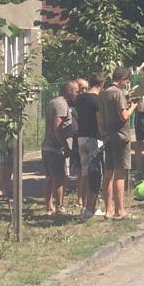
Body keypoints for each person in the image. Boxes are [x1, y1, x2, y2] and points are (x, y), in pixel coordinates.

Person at [98, 67, 135, 220]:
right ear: (121, 79)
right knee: (120, 173)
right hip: (121, 136)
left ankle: (108, 210)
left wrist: (103, 133)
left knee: (108, 173)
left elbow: (99, 117)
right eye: (126, 80)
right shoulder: (118, 93)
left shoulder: (103, 93)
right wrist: (132, 107)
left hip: (108, 136)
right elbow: (123, 116)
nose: (127, 83)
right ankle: (120, 210)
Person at [43, 81, 78, 217]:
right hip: (56, 147)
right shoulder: (62, 104)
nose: (77, 94)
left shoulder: (52, 102)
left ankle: (49, 206)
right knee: (59, 177)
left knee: (49, 177)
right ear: (68, 91)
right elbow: (57, 126)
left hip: (47, 145)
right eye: (75, 91)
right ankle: (59, 207)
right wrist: (65, 145)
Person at [75, 73, 104, 217]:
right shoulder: (97, 100)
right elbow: (99, 120)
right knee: (95, 173)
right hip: (93, 138)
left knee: (85, 172)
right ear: (101, 85)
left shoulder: (80, 99)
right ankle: (90, 207)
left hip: (81, 137)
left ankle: (83, 203)